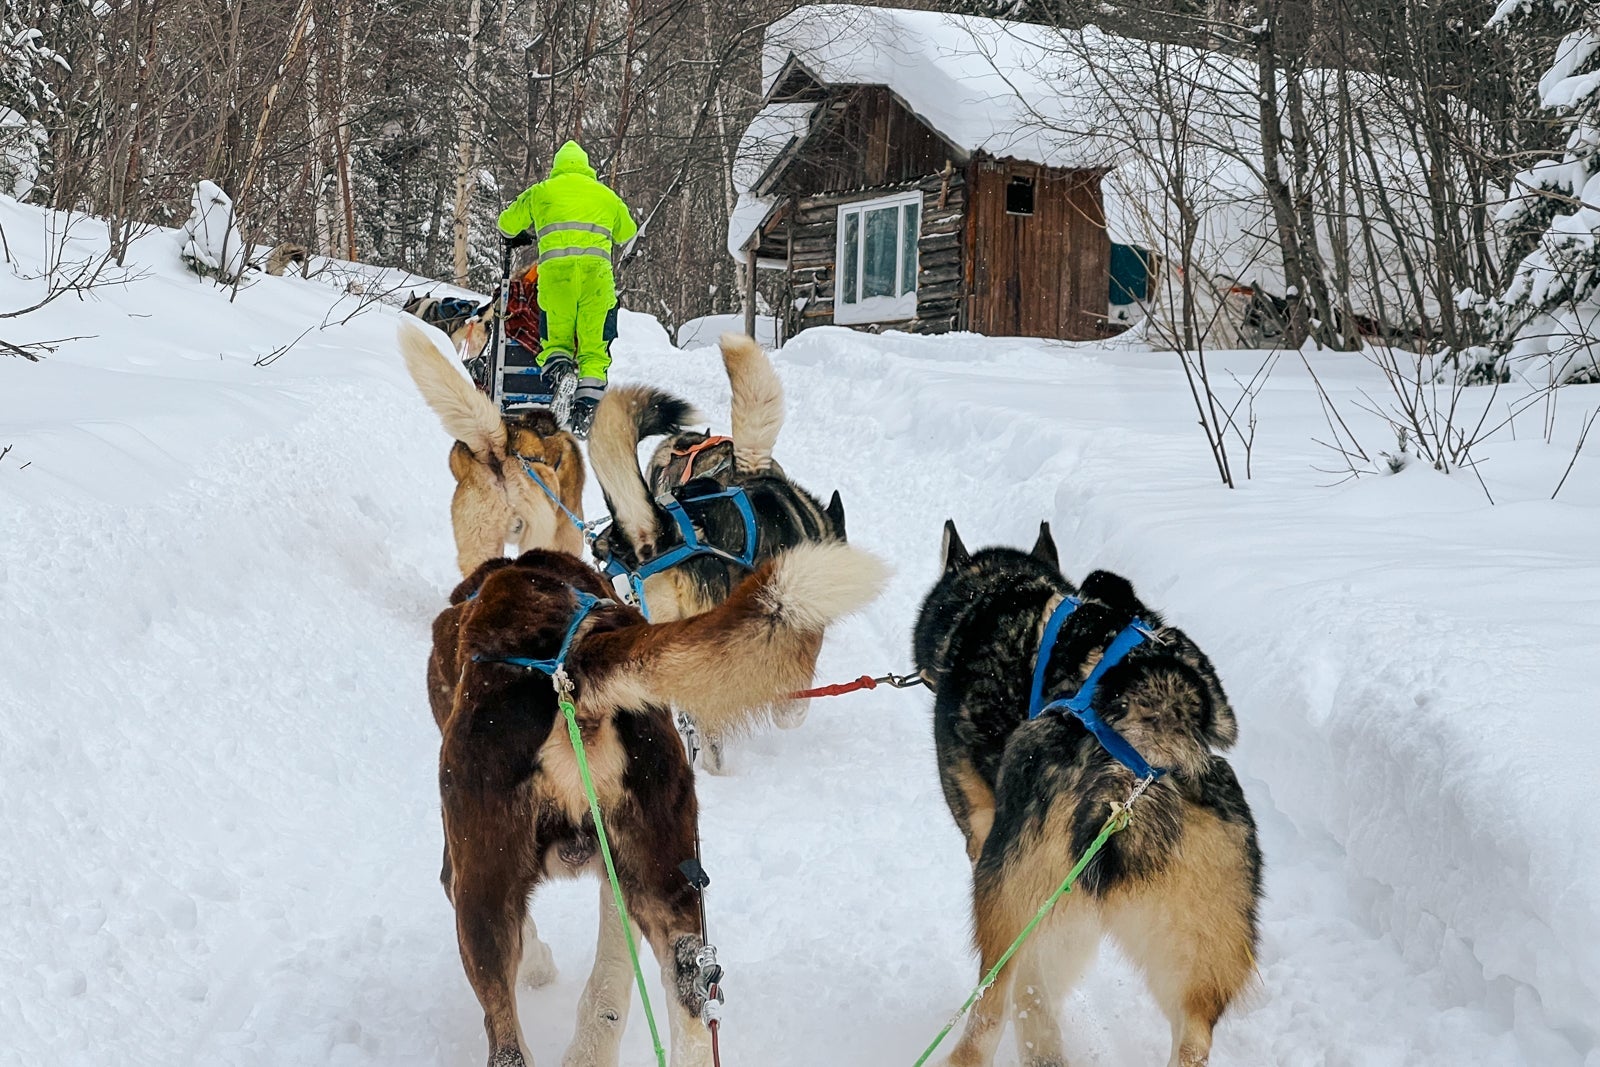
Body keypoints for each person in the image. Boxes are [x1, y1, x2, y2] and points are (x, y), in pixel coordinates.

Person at [497, 140, 638, 436]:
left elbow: (506, 224)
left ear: (557, 167)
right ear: (586, 168)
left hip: (557, 280)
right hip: (596, 282)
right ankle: (585, 412)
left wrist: (525, 228)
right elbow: (628, 231)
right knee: (593, 351)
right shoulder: (606, 196)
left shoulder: (543, 191)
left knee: (556, 343)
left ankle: (562, 374)